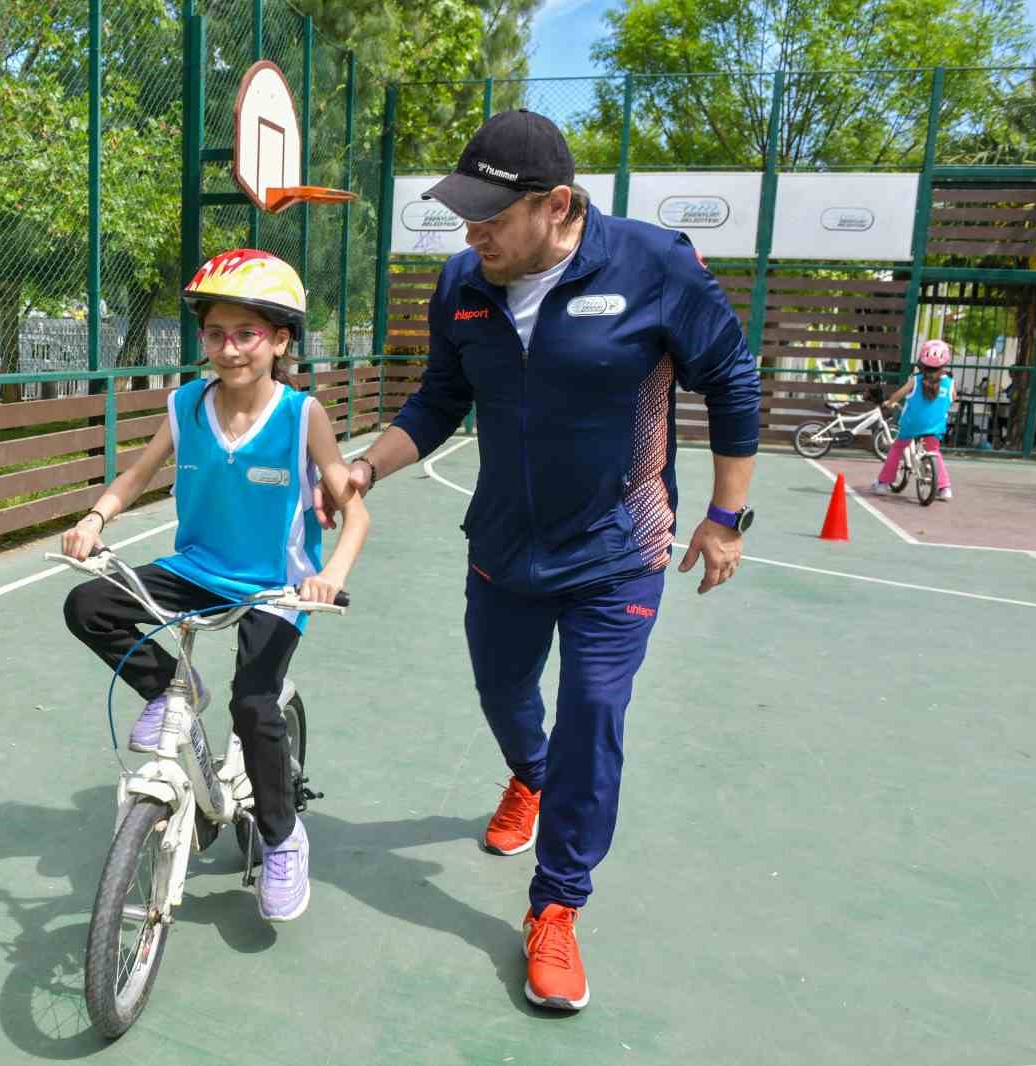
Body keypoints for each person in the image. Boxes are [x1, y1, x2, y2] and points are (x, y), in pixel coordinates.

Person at [318, 109, 761, 1010]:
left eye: (489, 217)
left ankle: (556, 905)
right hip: (504, 546)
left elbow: (731, 379)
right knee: (504, 694)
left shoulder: (653, 265)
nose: (470, 235)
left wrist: (726, 517)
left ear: (558, 206)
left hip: (619, 548)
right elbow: (439, 399)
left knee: (593, 713)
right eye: (463, 216)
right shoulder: (463, 284)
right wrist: (364, 468)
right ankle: (531, 776)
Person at [61, 249, 371, 923]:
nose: (229, 349)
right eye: (215, 334)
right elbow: (135, 475)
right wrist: (94, 519)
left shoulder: (302, 415)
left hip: (276, 585)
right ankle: (173, 687)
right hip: (196, 569)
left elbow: (356, 514)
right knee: (88, 604)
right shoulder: (184, 405)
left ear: (280, 340)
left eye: (247, 334)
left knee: (253, 705)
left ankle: (283, 839)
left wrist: (330, 576)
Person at [871, 340, 954, 501]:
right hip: (935, 426)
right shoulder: (950, 383)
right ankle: (945, 488)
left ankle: (883, 484)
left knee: (897, 448)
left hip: (911, 425)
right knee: (935, 452)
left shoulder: (915, 380)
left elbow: (899, 394)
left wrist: (890, 402)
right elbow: (953, 398)